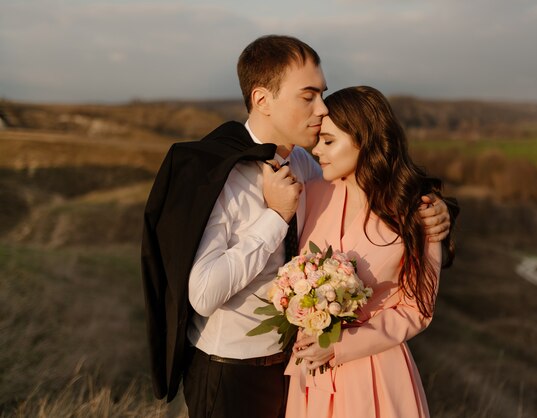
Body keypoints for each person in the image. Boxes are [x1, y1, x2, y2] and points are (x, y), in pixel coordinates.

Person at [141, 36, 455, 418]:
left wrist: (434, 211)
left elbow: (374, 189)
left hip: (291, 372)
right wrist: (274, 217)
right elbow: (203, 294)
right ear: (262, 100)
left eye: (322, 94)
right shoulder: (222, 176)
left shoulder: (309, 168)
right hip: (230, 371)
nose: (322, 109)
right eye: (308, 97)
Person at [285, 86, 449, 418]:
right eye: (318, 139)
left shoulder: (416, 212)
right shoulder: (309, 194)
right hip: (308, 374)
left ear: (364, 140)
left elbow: (417, 309)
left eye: (329, 141)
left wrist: (340, 345)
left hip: (375, 372)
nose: (317, 150)